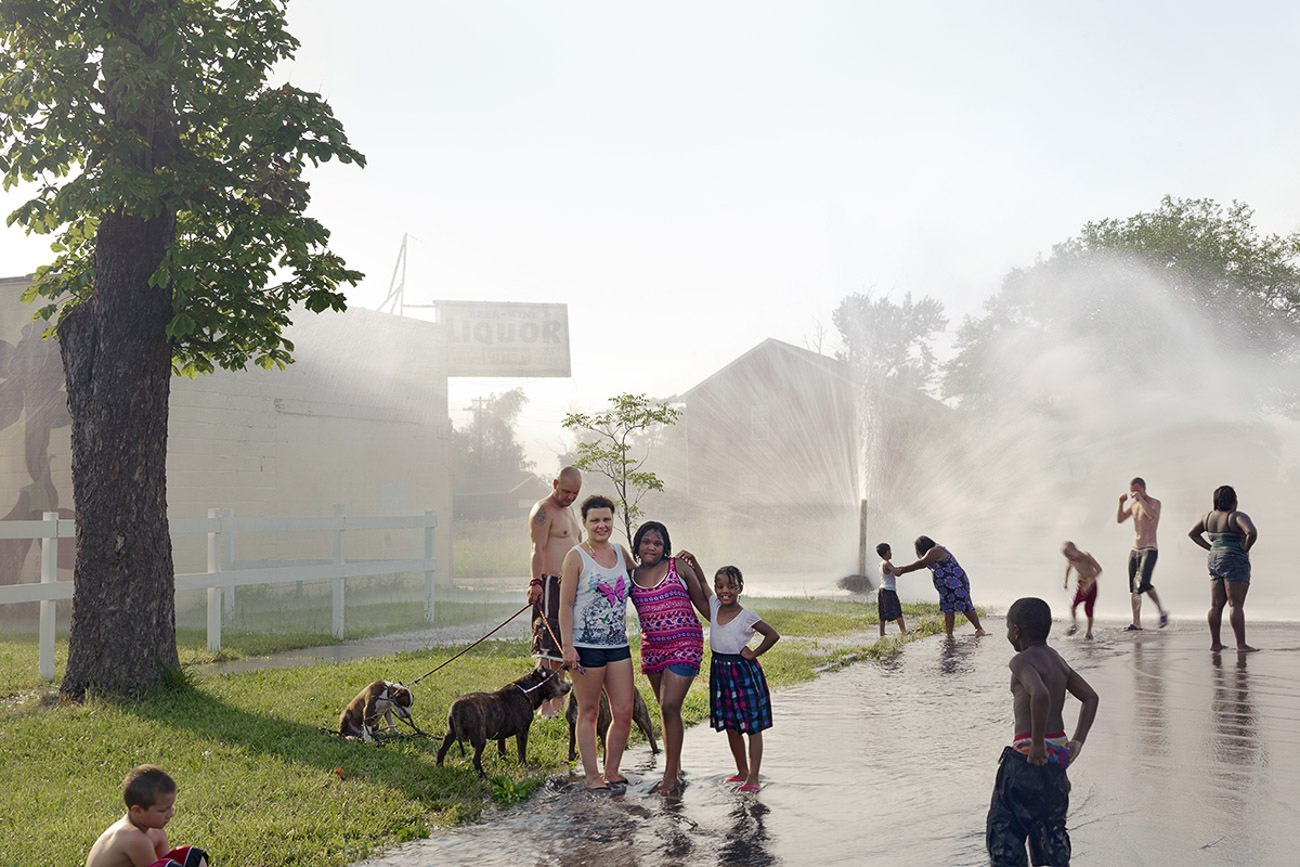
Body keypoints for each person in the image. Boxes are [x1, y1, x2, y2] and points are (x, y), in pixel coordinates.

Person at [987, 598, 1099, 867]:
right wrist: (1078, 742)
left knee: (1005, 833)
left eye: (1007, 628)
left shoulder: (1021, 661)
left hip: (1027, 757)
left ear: (1016, 631)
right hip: (1058, 756)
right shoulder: (1057, 661)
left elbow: (1039, 694)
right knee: (1050, 832)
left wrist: (1037, 743)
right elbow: (1091, 698)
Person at [559, 494, 636, 791]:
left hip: (617, 645)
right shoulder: (576, 556)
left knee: (624, 710)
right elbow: (565, 606)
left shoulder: (621, 553)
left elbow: (642, 579)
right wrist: (568, 646)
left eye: (606, 519)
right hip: (585, 646)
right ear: (585, 523)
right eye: (595, 520)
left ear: (612, 520)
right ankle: (593, 777)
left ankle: (613, 771)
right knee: (589, 711)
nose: (601, 525)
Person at [628, 523, 708, 795]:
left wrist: (699, 570)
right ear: (637, 545)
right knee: (664, 709)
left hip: (685, 642)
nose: (651, 547)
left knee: (671, 705)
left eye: (658, 543)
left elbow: (706, 605)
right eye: (646, 542)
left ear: (666, 548)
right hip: (652, 648)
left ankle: (670, 779)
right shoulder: (630, 575)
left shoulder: (678, 567)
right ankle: (676, 767)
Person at [708, 564, 780, 793]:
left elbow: (772, 634)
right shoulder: (714, 605)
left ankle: (754, 777)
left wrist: (753, 653)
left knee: (752, 726)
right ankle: (741, 771)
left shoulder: (747, 615)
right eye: (720, 586)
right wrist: (693, 562)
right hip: (720, 671)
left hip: (742, 673)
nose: (724, 591)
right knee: (731, 726)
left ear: (740, 588)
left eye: (731, 586)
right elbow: (699, 581)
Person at [527, 465, 582, 717]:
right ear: (554, 483)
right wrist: (535, 582)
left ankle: (559, 701)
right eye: (566, 491)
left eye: (575, 493)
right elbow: (536, 548)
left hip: (570, 585)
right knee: (547, 645)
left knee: (564, 642)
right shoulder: (543, 510)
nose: (570, 497)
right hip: (549, 584)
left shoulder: (569, 511)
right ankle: (545, 706)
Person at [86, 765, 209, 867]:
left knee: (192, 855)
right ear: (137, 811)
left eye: (171, 807)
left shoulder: (157, 831)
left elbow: (168, 861)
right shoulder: (134, 838)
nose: (171, 814)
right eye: (162, 811)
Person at [1188, 485, 1259, 653]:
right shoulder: (1236, 516)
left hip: (1214, 560)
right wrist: (1245, 548)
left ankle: (1216, 643)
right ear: (1234, 501)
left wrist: (1211, 548)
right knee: (1236, 605)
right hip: (1234, 559)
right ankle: (1241, 645)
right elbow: (1252, 532)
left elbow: (1193, 533)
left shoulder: (1208, 517)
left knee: (1215, 605)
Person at [893, 535, 987, 638]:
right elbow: (923, 564)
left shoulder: (935, 550)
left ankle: (979, 628)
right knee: (948, 609)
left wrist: (903, 570)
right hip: (946, 587)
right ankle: (949, 634)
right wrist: (902, 569)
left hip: (956, 582)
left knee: (964, 605)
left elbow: (921, 564)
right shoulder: (931, 553)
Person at [1116, 477, 1169, 630]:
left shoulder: (1154, 503)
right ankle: (1136, 622)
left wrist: (1140, 499)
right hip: (1135, 548)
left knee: (1144, 583)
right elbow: (1119, 519)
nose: (1134, 494)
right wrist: (1120, 503)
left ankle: (1162, 611)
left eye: (1137, 491)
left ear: (1144, 488)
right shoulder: (1134, 505)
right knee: (1133, 587)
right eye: (1133, 491)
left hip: (1150, 548)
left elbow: (1151, 515)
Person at [1060, 542, 1101, 640]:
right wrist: (1066, 581)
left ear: (1075, 550)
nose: (1070, 558)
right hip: (1081, 585)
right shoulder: (1071, 559)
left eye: (1070, 555)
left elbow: (1099, 569)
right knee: (1073, 606)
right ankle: (1074, 625)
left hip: (1091, 586)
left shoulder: (1085, 556)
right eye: (1067, 557)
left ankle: (1088, 632)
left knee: (1089, 609)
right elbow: (1068, 567)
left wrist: (1089, 583)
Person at [875, 542, 907, 636]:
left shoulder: (881, 563)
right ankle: (904, 632)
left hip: (882, 590)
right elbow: (897, 573)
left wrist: (896, 569)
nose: (891, 553)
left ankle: (882, 633)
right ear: (887, 552)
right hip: (889, 590)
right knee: (897, 611)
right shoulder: (887, 563)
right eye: (890, 551)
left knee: (882, 613)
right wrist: (904, 569)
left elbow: (891, 571)